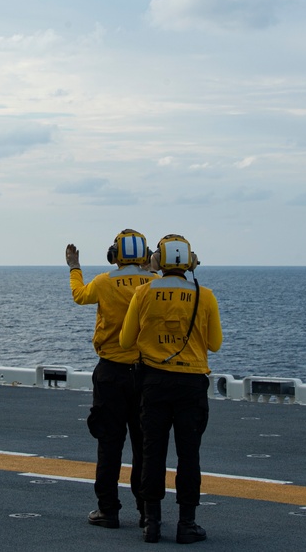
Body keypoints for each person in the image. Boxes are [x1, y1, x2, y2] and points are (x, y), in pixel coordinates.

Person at [119, 234, 222, 544]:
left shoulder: (143, 293)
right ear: (190, 262)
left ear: (158, 262)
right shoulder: (205, 295)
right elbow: (215, 344)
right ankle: (187, 524)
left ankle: (151, 522)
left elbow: (125, 342)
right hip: (191, 385)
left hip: (154, 383)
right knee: (189, 455)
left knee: (152, 452)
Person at [66, 229, 156, 529]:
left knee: (109, 444)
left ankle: (108, 509)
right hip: (145, 375)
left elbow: (79, 296)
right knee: (144, 446)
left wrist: (74, 268)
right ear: (144, 256)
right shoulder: (155, 284)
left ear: (114, 256)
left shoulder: (105, 282)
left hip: (111, 373)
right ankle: (146, 510)